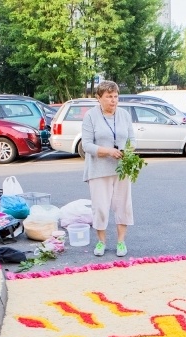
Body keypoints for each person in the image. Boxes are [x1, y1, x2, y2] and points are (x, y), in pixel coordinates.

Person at [81, 80, 135, 257]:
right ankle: (101, 242)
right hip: (99, 170)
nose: (113, 100)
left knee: (123, 206)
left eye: (116, 96)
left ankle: (121, 242)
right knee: (100, 208)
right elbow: (86, 145)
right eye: (109, 96)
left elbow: (132, 140)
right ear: (99, 98)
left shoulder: (124, 115)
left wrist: (128, 151)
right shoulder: (91, 116)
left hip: (121, 169)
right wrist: (108, 151)